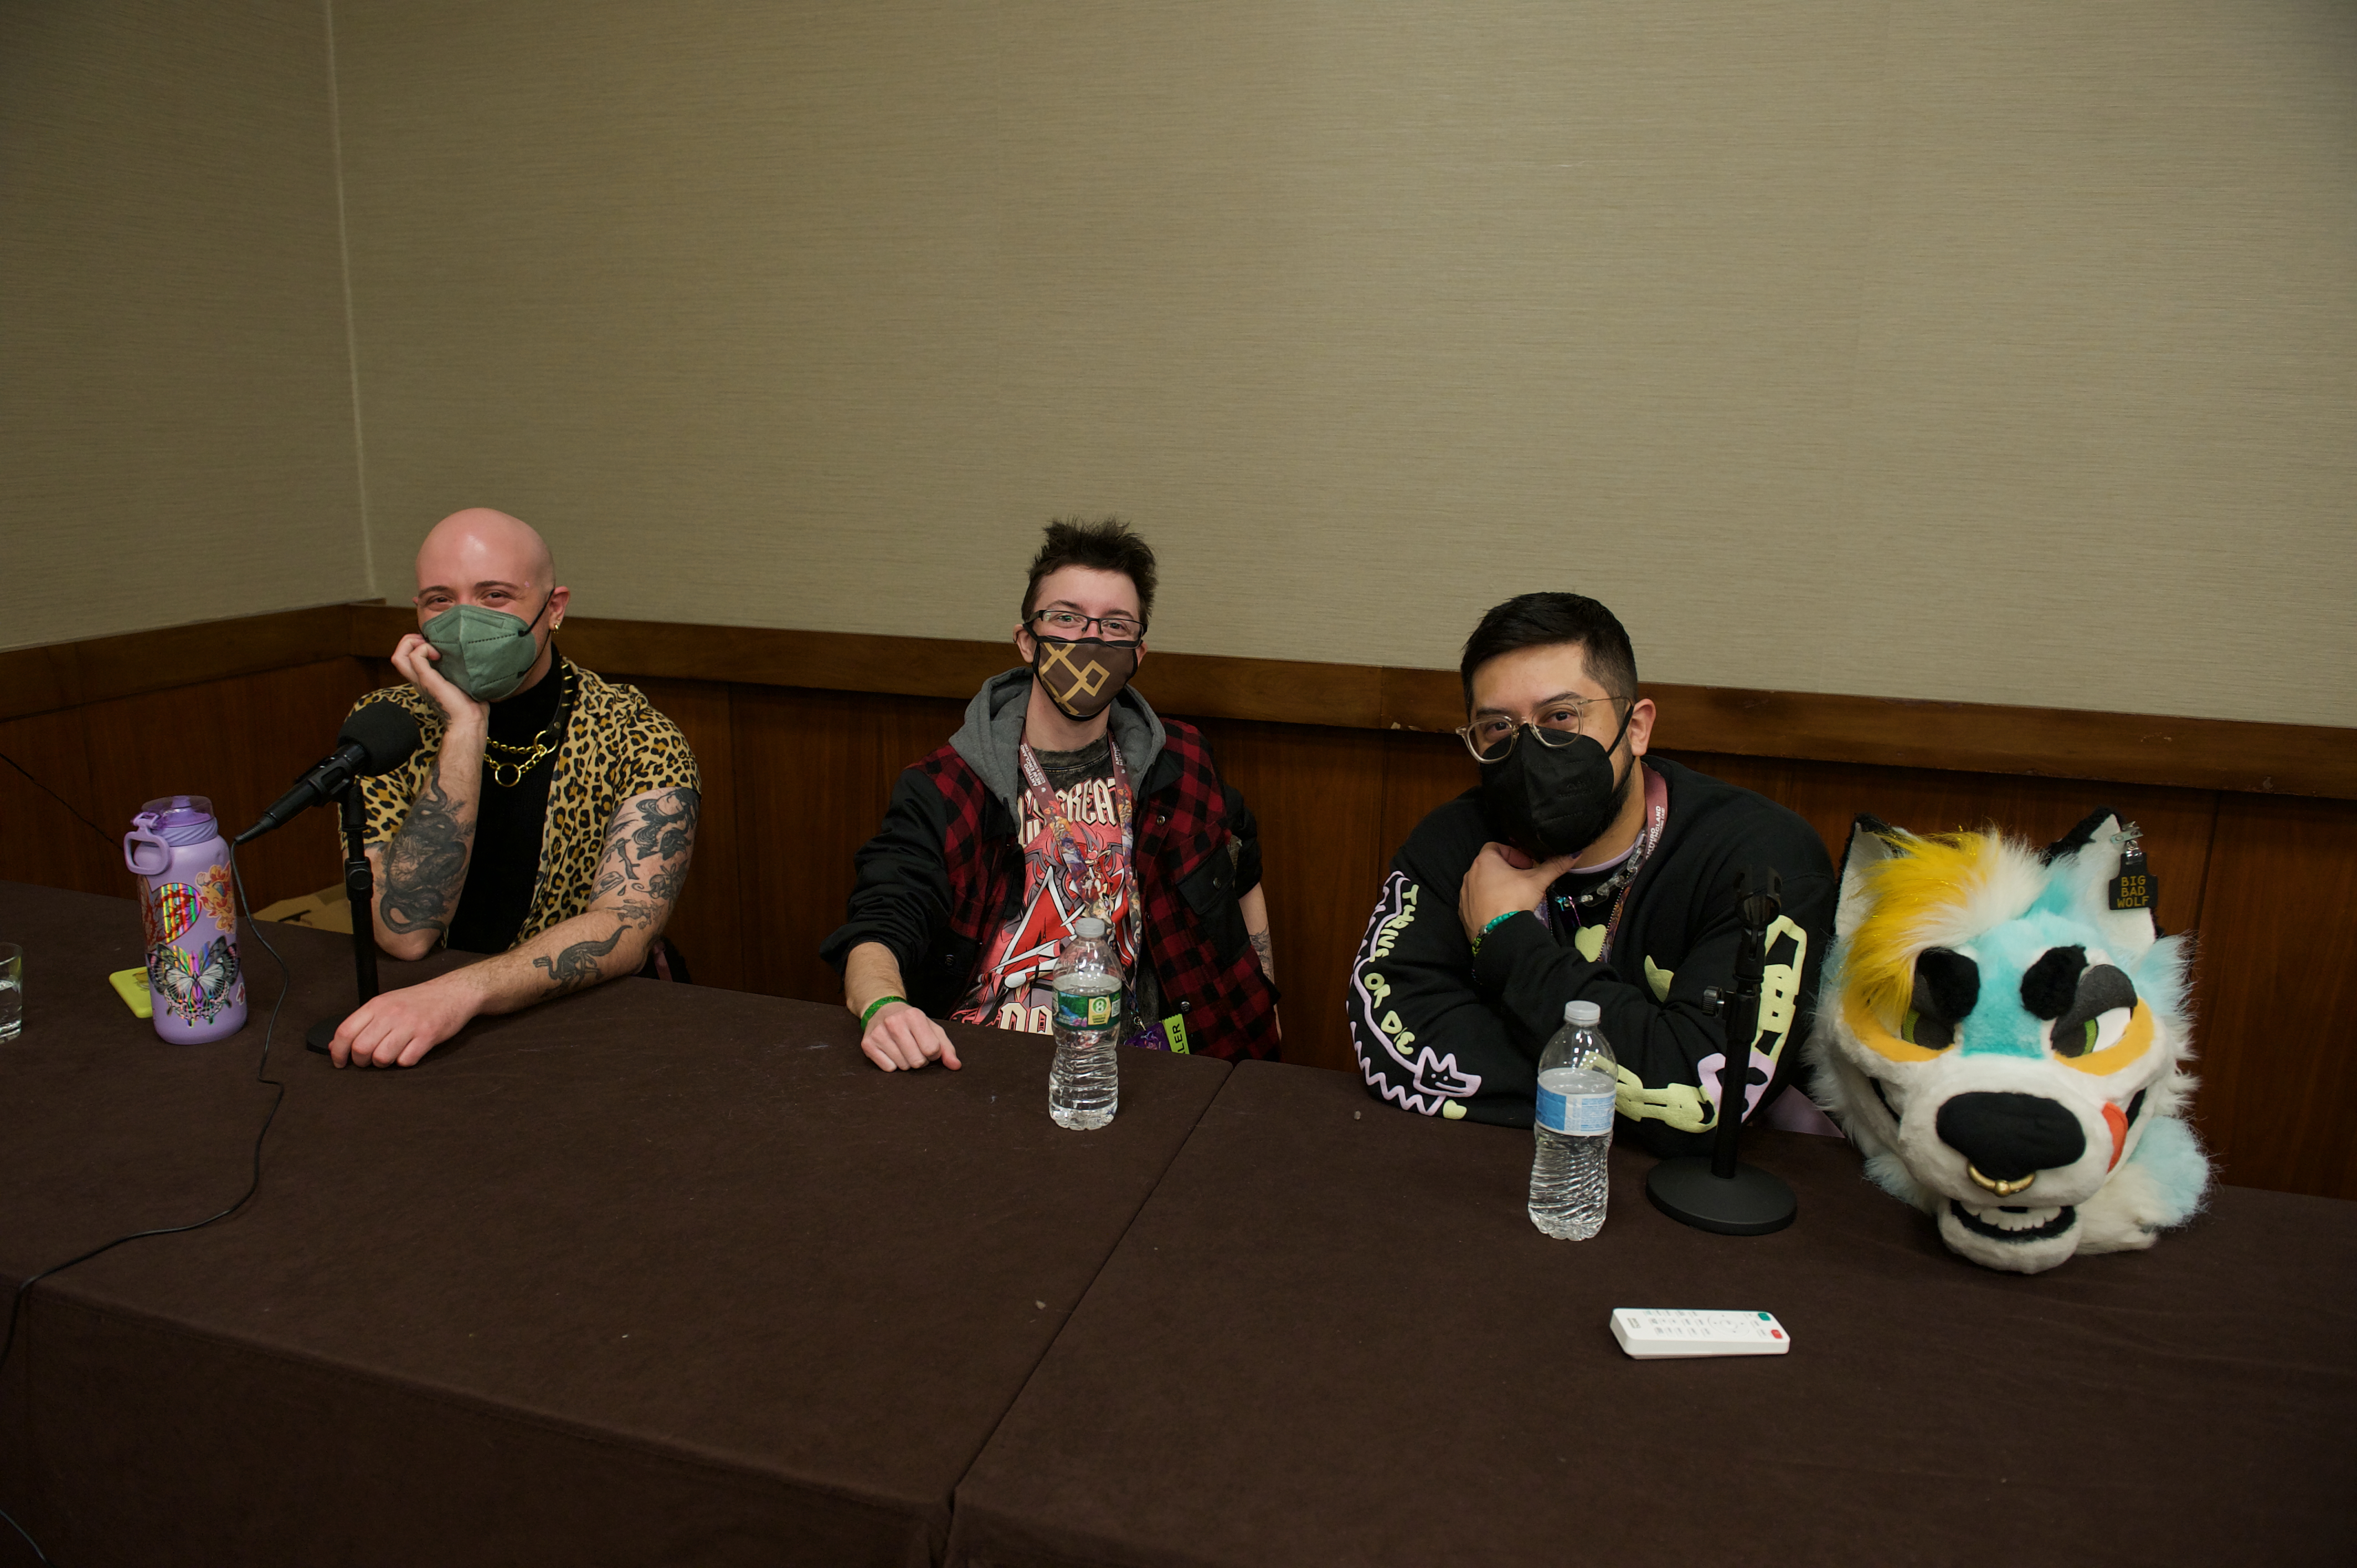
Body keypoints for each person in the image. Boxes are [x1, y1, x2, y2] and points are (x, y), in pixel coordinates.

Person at [1347, 592, 1834, 1154]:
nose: (1529, 752)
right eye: (1497, 729)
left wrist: (1504, 935)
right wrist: (1632, 1085)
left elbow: (1700, 1097)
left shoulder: (1758, 857)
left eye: (1561, 717)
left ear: (1635, 727)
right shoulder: (1452, 843)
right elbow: (1393, 1042)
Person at [824, 518, 1280, 1071]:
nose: (1090, 640)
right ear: (1026, 640)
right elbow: (880, 923)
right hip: (978, 1059)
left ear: (1137, 654)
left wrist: (1264, 1014)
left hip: (1126, 1065)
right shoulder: (948, 786)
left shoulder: (1180, 764)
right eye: (1066, 618)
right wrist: (884, 1005)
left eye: (1113, 626)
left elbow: (1242, 870)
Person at [327, 508, 702, 1068]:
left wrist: (462, 993)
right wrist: (465, 729)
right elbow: (404, 935)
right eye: (439, 600)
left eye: (494, 595)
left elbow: (623, 928)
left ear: (554, 608)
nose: (463, 620)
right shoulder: (385, 728)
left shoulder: (638, 735)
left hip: (580, 1020)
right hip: (423, 1018)